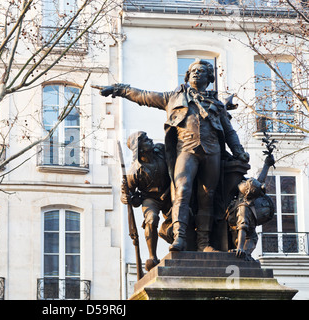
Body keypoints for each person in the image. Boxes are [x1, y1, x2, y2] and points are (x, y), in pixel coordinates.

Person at [99, 59, 249, 252]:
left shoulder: (217, 104)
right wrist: (119, 90)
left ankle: (204, 243)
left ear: (209, 77)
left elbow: (229, 132)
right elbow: (143, 96)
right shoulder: (173, 97)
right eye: (192, 70)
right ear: (187, 76)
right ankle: (180, 237)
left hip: (213, 151)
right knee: (182, 190)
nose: (196, 73)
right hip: (186, 150)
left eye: (201, 70)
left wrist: (238, 151)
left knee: (207, 196)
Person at [121, 131, 171, 270]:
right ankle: (152, 257)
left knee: (179, 219)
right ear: (140, 148)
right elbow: (126, 192)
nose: (150, 140)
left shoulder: (160, 150)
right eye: (145, 140)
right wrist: (125, 197)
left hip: (169, 194)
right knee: (151, 219)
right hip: (150, 198)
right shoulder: (134, 171)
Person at [226, 154, 275, 260]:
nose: (244, 181)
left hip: (247, 240)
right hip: (236, 234)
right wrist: (267, 165)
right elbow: (260, 181)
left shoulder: (243, 207)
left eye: (246, 183)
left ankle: (245, 254)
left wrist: (240, 248)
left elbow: (242, 228)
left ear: (247, 191)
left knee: (242, 257)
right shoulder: (244, 197)